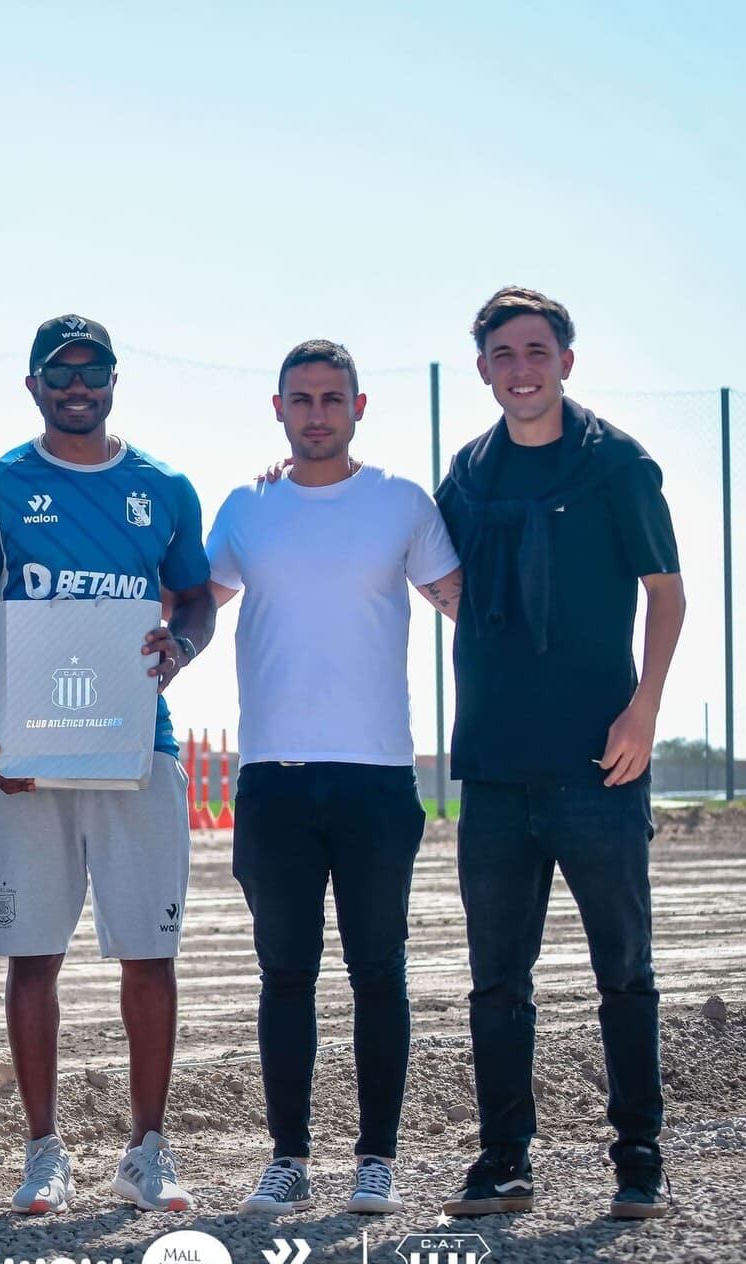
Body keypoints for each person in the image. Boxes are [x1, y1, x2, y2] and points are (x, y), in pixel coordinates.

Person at [0, 315, 215, 1215]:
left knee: (149, 952)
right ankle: (43, 1150)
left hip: (139, 749)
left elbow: (196, 605)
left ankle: (146, 1149)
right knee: (34, 953)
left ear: (112, 379)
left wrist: (177, 642)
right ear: (31, 385)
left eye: (91, 369)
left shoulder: (164, 486)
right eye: (58, 372)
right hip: (28, 758)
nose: (76, 384)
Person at [436, 288, 685, 1221]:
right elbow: (424, 562)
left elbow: (666, 593)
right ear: (484, 369)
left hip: (597, 759)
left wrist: (642, 711)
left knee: (623, 969)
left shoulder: (616, 465)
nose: (521, 367)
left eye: (536, 349)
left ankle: (638, 1158)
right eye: (503, 353)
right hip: (494, 765)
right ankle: (503, 1159)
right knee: (497, 979)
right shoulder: (466, 473)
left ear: (566, 361)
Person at [205, 340, 461, 1217]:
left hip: (377, 778)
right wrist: (160, 649)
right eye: (301, 399)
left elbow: (464, 600)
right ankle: (287, 1157)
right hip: (272, 777)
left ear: (359, 406)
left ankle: (376, 1159)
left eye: (331, 398)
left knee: (377, 970)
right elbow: (198, 604)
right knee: (284, 973)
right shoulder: (247, 505)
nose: (316, 412)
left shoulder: (401, 503)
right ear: (276, 408)